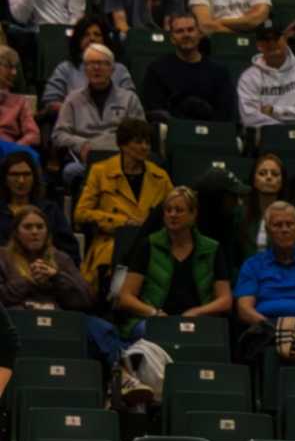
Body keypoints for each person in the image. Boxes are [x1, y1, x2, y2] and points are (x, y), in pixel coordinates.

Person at [0, 203, 127, 372]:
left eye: (40, 227)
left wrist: (56, 277)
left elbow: (85, 299)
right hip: (18, 321)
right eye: (28, 227)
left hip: (60, 321)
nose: (35, 232)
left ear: (47, 232)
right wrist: (28, 280)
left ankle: (122, 374)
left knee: (99, 327)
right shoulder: (3, 257)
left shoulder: (60, 258)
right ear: (16, 232)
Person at [115, 186, 232, 338]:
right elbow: (126, 297)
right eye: (168, 210)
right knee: (154, 332)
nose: (172, 215)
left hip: (196, 321)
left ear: (193, 214)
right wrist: (153, 312)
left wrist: (197, 312)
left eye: (179, 210)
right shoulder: (149, 245)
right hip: (154, 320)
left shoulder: (211, 249)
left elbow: (225, 300)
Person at [73, 117, 170, 296]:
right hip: (112, 241)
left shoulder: (160, 176)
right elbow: (81, 214)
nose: (145, 147)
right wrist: (121, 222)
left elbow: (172, 211)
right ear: (123, 145)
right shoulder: (101, 171)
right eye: (138, 142)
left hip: (150, 242)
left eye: (148, 142)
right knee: (113, 258)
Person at [233, 199, 295, 359]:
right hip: (265, 330)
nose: (284, 229)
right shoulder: (252, 265)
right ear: (267, 230)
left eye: (290, 224)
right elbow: (244, 310)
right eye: (278, 225)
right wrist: (275, 328)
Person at [53, 43, 145, 187]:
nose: (96, 68)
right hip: (86, 160)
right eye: (90, 64)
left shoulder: (129, 99)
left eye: (102, 63)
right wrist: (81, 144)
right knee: (71, 171)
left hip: (121, 158)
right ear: (85, 69)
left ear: (112, 69)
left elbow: (140, 133)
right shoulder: (73, 99)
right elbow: (59, 134)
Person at [140, 12, 235, 124]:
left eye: (190, 30)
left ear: (199, 34)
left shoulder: (219, 72)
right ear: (172, 38)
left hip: (211, 134)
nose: (186, 35)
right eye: (179, 31)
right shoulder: (157, 69)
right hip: (172, 133)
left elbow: (225, 113)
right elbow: (155, 111)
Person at [40, 14, 136, 116]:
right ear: (78, 40)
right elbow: (50, 101)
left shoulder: (119, 70)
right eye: (86, 34)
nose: (91, 38)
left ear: (105, 40)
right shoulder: (65, 69)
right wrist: (76, 112)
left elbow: (131, 101)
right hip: (75, 124)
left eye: (97, 34)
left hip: (113, 123)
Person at [236, 18, 295, 129]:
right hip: (266, 139)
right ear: (258, 45)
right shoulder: (248, 77)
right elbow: (249, 118)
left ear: (285, 39)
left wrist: (274, 111)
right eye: (266, 39)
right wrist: (282, 132)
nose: (271, 43)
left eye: (276, 37)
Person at [0, 150, 75, 257]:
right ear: (5, 179)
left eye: (26, 174)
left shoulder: (50, 210)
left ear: (34, 178)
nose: (21, 180)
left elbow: (70, 251)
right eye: (14, 174)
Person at [0, 47, 41, 149]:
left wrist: (15, 148)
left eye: (15, 68)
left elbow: (34, 135)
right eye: (9, 66)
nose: (14, 73)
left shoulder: (19, 101)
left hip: (8, 152)